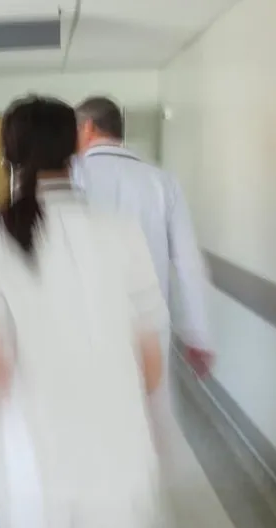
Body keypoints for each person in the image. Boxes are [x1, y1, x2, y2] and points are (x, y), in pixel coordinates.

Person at [0, 95, 169, 528]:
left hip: (33, 467)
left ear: (7, 156)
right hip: (117, 461)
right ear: (75, 148)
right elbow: (152, 365)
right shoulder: (120, 229)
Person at [73, 96, 214, 377]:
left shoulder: (72, 177)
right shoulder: (162, 182)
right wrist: (198, 334)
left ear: (88, 128)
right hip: (149, 327)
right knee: (148, 411)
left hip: (88, 324)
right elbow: (189, 263)